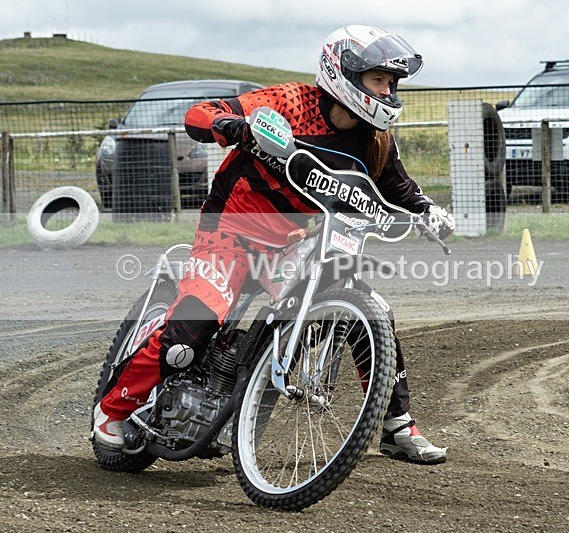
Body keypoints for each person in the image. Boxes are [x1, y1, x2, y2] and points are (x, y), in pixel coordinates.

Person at [93, 25, 455, 464]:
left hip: (294, 243)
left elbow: (400, 189)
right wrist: (231, 125)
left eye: (392, 83)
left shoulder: (375, 140)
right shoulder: (288, 103)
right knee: (190, 331)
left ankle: (397, 424)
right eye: (378, 80)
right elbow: (200, 114)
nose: (387, 91)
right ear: (344, 73)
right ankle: (112, 411)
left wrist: (428, 211)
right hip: (230, 232)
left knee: (365, 304)